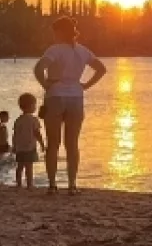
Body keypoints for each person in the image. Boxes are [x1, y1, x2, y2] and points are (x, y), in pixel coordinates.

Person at [34, 16, 107, 193]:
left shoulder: (54, 50)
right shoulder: (83, 51)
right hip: (76, 97)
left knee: (53, 143)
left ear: (59, 32)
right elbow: (101, 69)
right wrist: (85, 85)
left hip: (56, 96)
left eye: (54, 32)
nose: (53, 36)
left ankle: (52, 185)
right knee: (72, 143)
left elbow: (38, 68)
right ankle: (72, 185)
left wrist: (45, 84)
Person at [12, 93, 45, 188]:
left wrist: (14, 146)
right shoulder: (34, 120)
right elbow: (37, 133)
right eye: (35, 105)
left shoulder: (18, 120)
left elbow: (15, 135)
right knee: (29, 167)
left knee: (20, 166)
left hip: (20, 147)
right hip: (30, 147)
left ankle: (18, 183)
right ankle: (30, 184)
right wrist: (42, 144)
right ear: (31, 106)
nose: (35, 107)